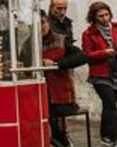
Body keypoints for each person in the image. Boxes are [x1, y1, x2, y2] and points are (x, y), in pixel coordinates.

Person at [82, 1, 117, 147]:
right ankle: (116, 139)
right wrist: (104, 53)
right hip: (100, 74)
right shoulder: (88, 33)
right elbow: (87, 54)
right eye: (101, 16)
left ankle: (105, 137)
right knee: (111, 105)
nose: (105, 18)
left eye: (106, 15)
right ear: (94, 17)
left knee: (109, 105)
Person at [35, 11, 87, 147]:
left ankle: (63, 143)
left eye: (43, 22)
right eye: (37, 24)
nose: (41, 27)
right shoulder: (30, 44)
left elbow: (81, 57)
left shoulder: (61, 40)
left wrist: (57, 64)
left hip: (61, 95)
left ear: (48, 23)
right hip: (39, 94)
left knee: (53, 120)